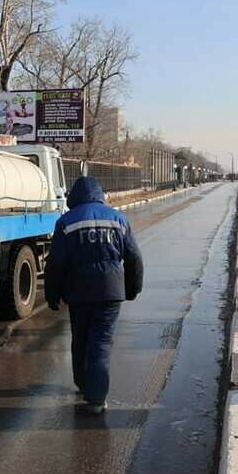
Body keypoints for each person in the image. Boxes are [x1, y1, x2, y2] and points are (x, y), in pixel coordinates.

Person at [44, 176, 144, 415]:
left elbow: (55, 263)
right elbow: (134, 258)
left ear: (74, 196)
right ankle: (97, 398)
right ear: (100, 194)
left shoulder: (66, 221)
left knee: (80, 339)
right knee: (100, 342)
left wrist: (52, 293)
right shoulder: (118, 219)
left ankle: (83, 384)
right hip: (111, 292)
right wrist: (132, 288)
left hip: (78, 293)